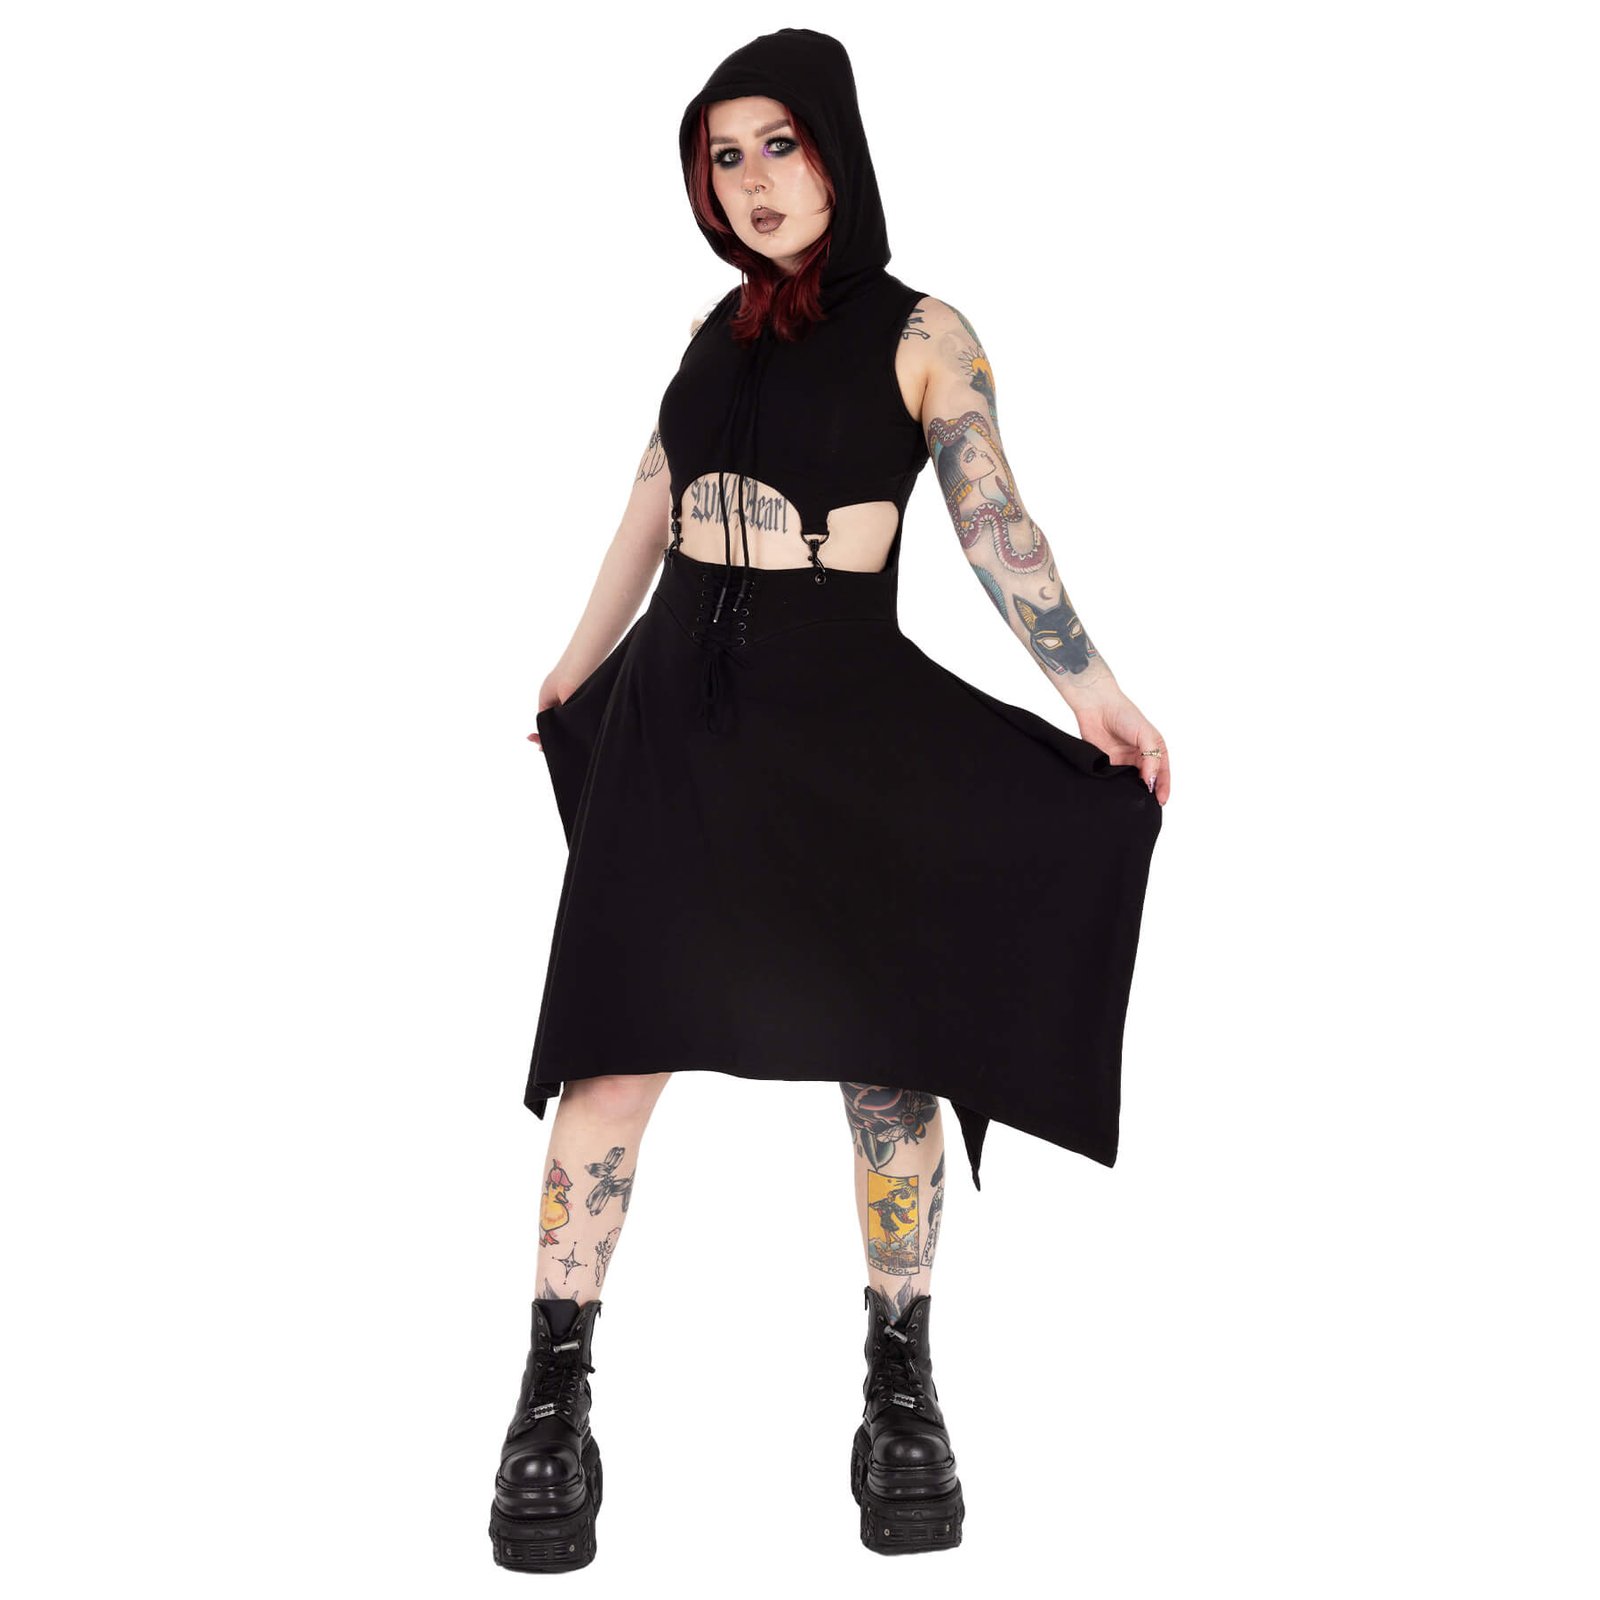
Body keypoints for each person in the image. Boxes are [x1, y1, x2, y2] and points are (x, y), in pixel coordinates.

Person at [488, 27, 1167, 1572]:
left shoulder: (926, 332)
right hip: (677, 721)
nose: (753, 182)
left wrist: (1093, 690)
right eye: (724, 157)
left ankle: (900, 1391)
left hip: (847, 726)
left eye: (779, 145)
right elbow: (648, 511)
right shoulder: (709, 334)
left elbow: (996, 523)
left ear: (838, 152)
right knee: (612, 1056)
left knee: (889, 1064)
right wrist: (570, 672)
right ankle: (551, 1403)